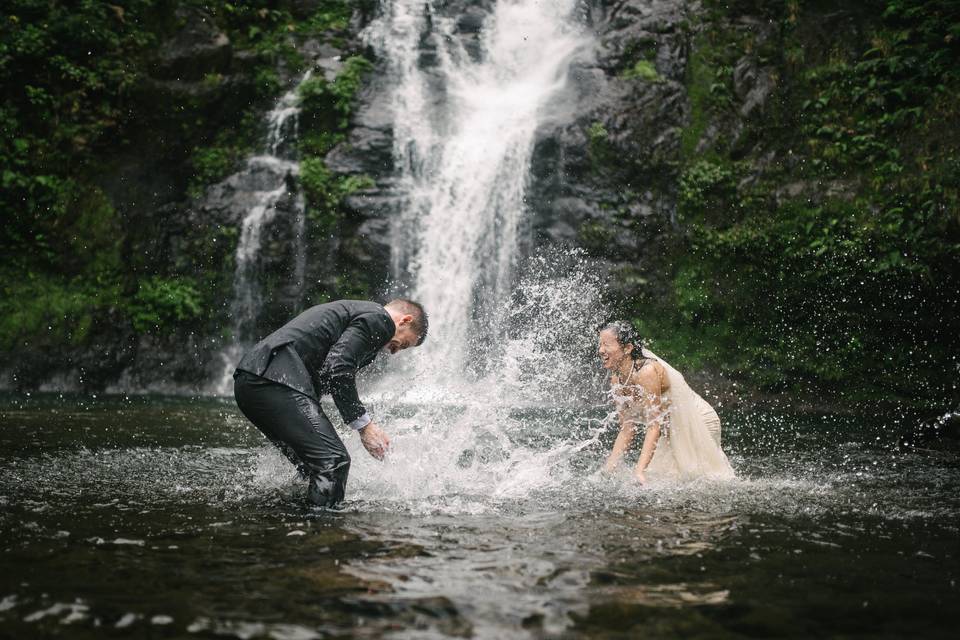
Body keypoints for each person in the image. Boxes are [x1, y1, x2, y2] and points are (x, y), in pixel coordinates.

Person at [233, 299, 428, 507]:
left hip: (252, 380)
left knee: (314, 467)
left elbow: (330, 371)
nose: (395, 352)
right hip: (274, 379)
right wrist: (364, 426)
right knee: (333, 462)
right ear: (405, 320)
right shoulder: (380, 319)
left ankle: (296, 522)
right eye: (404, 344)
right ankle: (322, 533)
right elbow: (339, 368)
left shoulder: (359, 315)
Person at [597, 321, 734, 483]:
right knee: (664, 479)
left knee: (706, 480)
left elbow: (654, 425)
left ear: (627, 348)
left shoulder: (646, 371)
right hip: (671, 427)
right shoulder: (617, 379)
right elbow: (627, 428)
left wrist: (639, 471)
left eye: (606, 345)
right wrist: (608, 469)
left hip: (699, 420)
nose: (600, 350)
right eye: (600, 345)